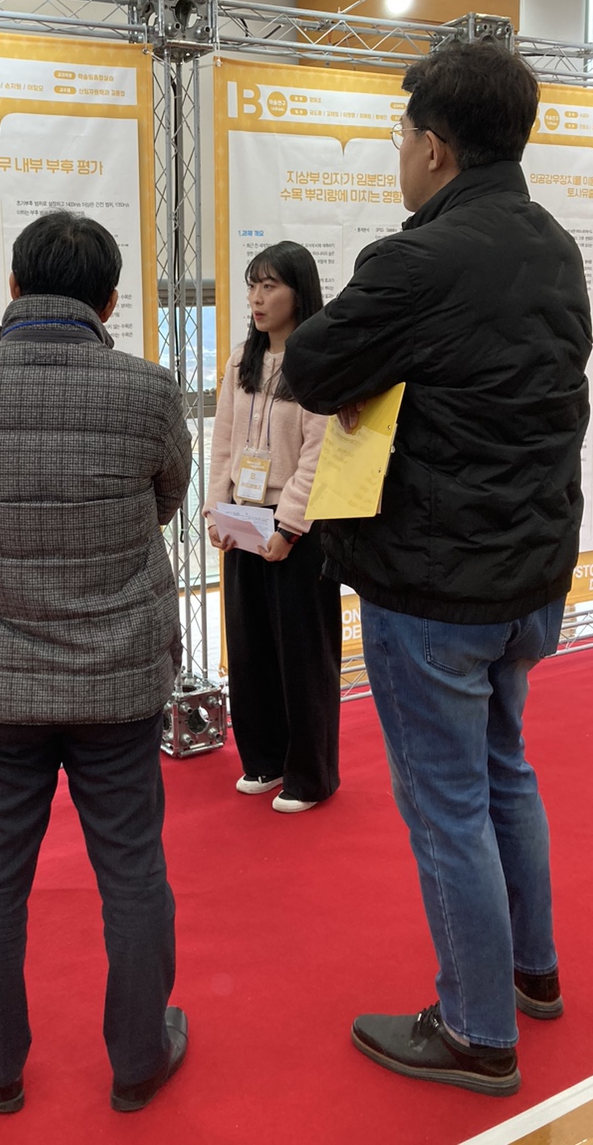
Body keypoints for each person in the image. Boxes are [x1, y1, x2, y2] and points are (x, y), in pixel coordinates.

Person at [283, 40, 592, 1096]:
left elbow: (313, 367)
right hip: (528, 574)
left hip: (436, 586)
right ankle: (530, 973)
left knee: (449, 802)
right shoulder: (554, 246)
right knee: (505, 770)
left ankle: (476, 1029)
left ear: (435, 146)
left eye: (402, 134)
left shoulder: (417, 258)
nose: (399, 153)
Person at [0, 210, 192, 1115]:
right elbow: (166, 499)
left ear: (13, 286)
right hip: (117, 674)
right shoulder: (149, 390)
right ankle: (138, 1058)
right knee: (133, 872)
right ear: (110, 301)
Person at [205, 242, 341, 812]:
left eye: (270, 286)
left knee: (302, 655)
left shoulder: (316, 362)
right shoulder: (243, 360)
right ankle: (263, 758)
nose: (257, 299)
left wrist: (289, 527)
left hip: (298, 529)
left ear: (298, 293)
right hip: (244, 516)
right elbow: (223, 443)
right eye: (253, 286)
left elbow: (320, 452)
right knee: (250, 647)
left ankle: (310, 775)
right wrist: (215, 509)